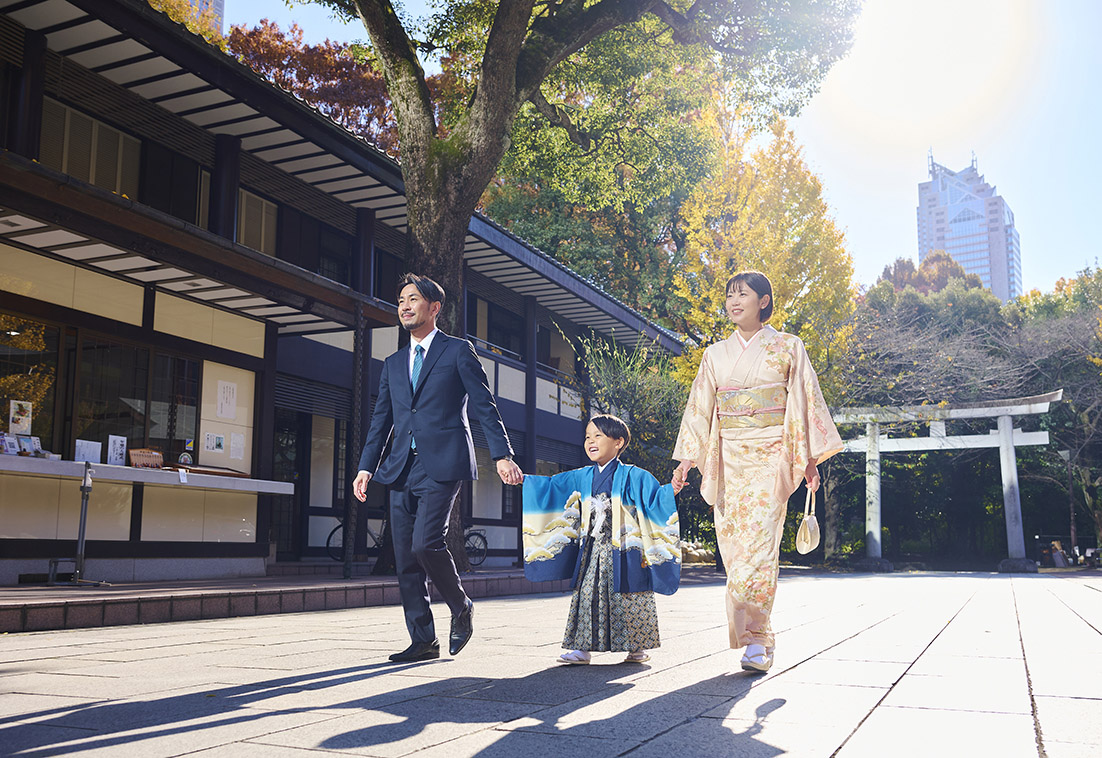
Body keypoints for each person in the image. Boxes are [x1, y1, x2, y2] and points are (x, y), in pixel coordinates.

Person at [670, 271, 842, 673]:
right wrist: (686, 461)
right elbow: (700, 410)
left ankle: (758, 638)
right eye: (729, 295)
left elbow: (803, 402)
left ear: (763, 301)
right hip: (728, 460)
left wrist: (809, 459)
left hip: (771, 459)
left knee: (761, 547)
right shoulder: (714, 355)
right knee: (734, 551)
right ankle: (751, 634)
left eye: (742, 294)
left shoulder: (788, 347)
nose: (733, 301)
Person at [353, 273, 523, 662]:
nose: (405, 307)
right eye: (400, 301)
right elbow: (382, 419)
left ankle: (461, 606)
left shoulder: (457, 351)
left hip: (443, 463)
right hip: (399, 466)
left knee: (426, 542)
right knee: (404, 556)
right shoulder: (394, 363)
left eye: (413, 299)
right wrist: (366, 467)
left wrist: (501, 454)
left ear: (434, 307)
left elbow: (484, 405)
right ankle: (422, 640)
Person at [522, 414, 680, 665]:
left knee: (630, 593)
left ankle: (636, 648)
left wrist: (671, 489)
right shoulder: (582, 476)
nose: (590, 441)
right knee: (587, 594)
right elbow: (553, 486)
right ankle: (581, 648)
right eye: (587, 437)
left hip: (626, 547)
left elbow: (654, 499)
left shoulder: (634, 475)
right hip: (592, 547)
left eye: (598, 436)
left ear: (618, 442)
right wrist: (526, 481)